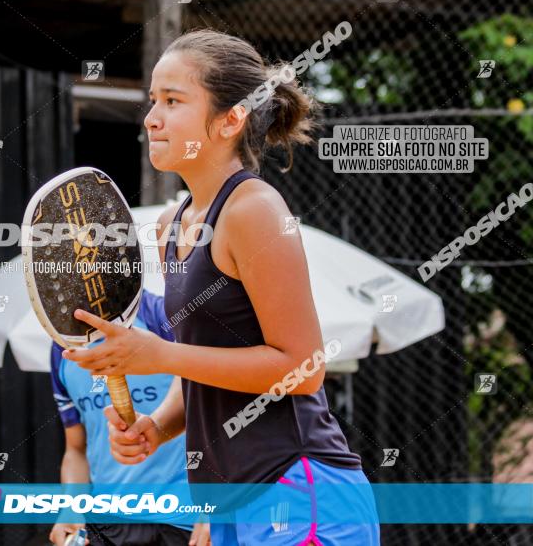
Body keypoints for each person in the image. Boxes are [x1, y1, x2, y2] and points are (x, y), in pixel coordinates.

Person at [63, 29, 380, 545]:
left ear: (231, 119)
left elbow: (303, 370)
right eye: (152, 101)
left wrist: (160, 354)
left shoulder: (254, 210)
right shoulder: (172, 225)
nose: (151, 118)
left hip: (298, 490)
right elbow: (200, 363)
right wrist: (158, 427)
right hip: (227, 501)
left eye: (173, 101)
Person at [49, 289, 209, 546]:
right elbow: (76, 449)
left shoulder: (165, 316)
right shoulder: (62, 347)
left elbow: (218, 421)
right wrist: (69, 506)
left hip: (182, 524)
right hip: (107, 525)